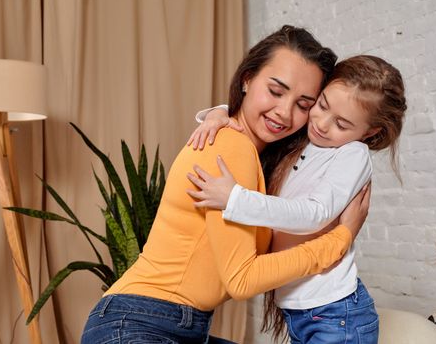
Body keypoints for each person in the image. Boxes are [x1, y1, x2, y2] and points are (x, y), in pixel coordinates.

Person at [81, 25, 371, 344]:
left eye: (304, 104)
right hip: (137, 324)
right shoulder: (231, 148)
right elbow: (242, 280)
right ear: (247, 79)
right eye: (275, 91)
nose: (284, 112)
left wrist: (219, 112)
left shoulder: (255, 158)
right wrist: (339, 239)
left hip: (177, 327)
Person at [186, 55, 407, 343]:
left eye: (341, 123)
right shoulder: (308, 138)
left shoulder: (352, 154)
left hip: (335, 314)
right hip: (304, 311)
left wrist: (235, 199)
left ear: (371, 131)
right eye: (322, 105)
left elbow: (314, 214)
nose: (322, 123)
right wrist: (219, 114)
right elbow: (262, 117)